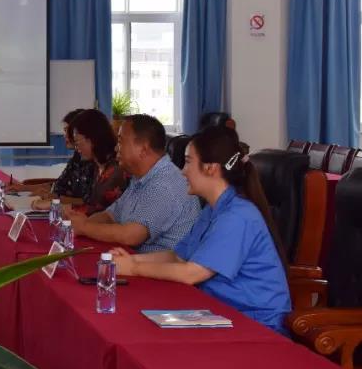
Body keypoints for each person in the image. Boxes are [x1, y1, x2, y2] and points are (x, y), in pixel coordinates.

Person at [110, 126, 291, 334]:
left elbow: (192, 273)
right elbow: (178, 257)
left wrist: (133, 268)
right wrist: (131, 261)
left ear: (210, 168)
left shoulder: (238, 216)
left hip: (254, 324)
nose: (183, 171)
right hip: (219, 313)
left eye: (188, 162)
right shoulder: (212, 209)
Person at [66, 114, 200, 252]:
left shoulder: (165, 183)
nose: (116, 148)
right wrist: (81, 224)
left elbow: (130, 235)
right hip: (133, 258)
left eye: (120, 142)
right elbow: (110, 215)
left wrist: (84, 227)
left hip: (159, 264)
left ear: (143, 149)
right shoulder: (140, 178)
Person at [34, 109, 127, 214]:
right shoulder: (98, 166)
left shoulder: (115, 170)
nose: (76, 147)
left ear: (92, 139)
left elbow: (96, 209)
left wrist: (55, 205)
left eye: (77, 141)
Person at [9, 108, 94, 204]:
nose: (65, 135)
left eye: (67, 130)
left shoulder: (94, 163)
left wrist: (55, 199)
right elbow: (57, 185)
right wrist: (22, 188)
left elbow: (89, 203)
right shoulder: (77, 157)